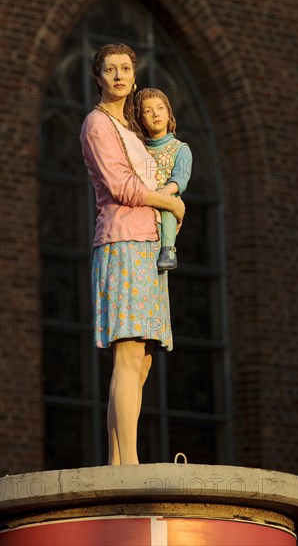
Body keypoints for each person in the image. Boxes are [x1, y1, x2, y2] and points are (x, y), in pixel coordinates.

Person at [80, 43, 185, 466]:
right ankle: (129, 464)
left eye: (125, 68)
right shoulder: (97, 124)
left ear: (135, 77)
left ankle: (117, 460)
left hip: (146, 245)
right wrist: (170, 203)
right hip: (121, 242)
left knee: (140, 360)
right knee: (126, 351)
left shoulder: (131, 129)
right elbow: (122, 187)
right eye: (109, 69)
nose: (118, 75)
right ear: (99, 78)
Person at [135, 88, 192, 271]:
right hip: (143, 199)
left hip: (167, 194)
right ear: (141, 119)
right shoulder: (139, 148)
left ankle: (168, 250)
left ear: (169, 113)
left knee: (169, 206)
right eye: (148, 111)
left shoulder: (180, 149)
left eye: (160, 108)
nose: (156, 114)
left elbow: (180, 177)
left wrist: (165, 192)